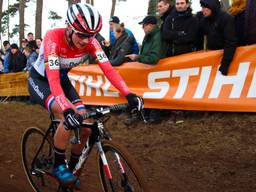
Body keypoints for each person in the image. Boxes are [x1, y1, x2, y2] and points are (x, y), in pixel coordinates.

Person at [28, 3, 143, 187]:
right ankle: (59, 166)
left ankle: (71, 169)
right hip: (42, 80)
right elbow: (53, 80)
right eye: (81, 34)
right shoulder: (53, 37)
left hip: (62, 79)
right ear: (69, 27)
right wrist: (66, 110)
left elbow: (109, 70)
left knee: (86, 126)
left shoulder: (91, 41)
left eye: (91, 35)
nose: (86, 40)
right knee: (65, 113)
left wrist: (129, 94)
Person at [126, 16, 162, 124]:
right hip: (147, 69)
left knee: (155, 91)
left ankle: (154, 114)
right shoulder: (148, 36)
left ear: (150, 25)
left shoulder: (157, 36)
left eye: (144, 25)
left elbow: (154, 58)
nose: (142, 28)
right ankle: (142, 112)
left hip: (156, 71)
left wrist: (138, 57)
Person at [199, 0, 237, 76]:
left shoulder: (226, 18)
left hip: (225, 59)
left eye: (205, 7)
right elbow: (198, 37)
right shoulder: (205, 20)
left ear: (212, 7)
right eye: (202, 7)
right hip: (212, 58)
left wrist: (225, 64)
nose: (202, 10)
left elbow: (230, 42)